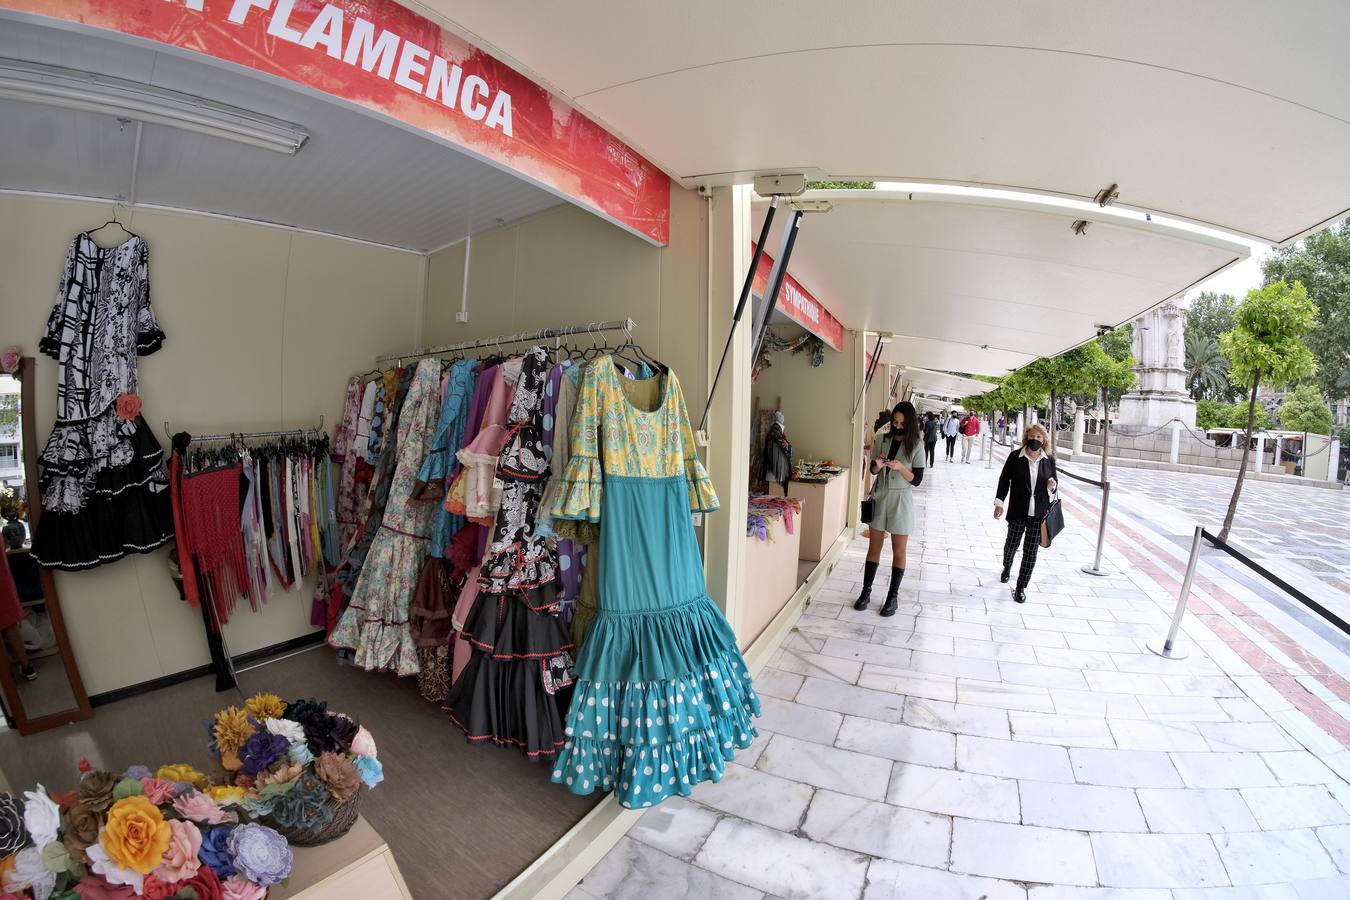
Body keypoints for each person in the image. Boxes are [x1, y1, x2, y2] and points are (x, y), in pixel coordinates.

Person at [856, 401, 925, 617]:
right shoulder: (882, 438)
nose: (897, 426)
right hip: (880, 496)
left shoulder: (916, 445)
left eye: (902, 423)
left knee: (899, 551)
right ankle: (866, 592)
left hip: (901, 501)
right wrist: (877, 463)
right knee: (873, 548)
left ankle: (892, 598)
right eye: (895, 422)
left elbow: (917, 480)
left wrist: (901, 467)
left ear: (910, 423)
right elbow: (874, 471)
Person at [994, 423, 1058, 604]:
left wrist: (1051, 486)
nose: (1035, 440)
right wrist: (999, 503)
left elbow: (1054, 486)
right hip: (1018, 510)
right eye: (1032, 436)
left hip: (1039, 514)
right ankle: (1007, 566)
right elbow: (1004, 480)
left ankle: (1021, 587)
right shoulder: (1016, 457)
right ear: (1026, 437)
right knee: (1011, 544)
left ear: (1044, 440)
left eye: (1039, 437)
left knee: (1031, 551)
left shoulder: (1049, 460)